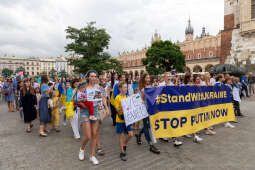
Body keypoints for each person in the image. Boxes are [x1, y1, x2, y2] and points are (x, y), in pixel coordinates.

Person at [78, 70, 101, 165]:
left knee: (95, 134)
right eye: (91, 76)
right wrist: (82, 104)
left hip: (95, 110)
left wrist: (103, 107)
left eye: (95, 76)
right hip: (85, 111)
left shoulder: (98, 87)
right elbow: (77, 100)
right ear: (88, 77)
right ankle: (81, 149)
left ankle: (92, 155)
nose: (93, 78)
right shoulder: (84, 87)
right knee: (88, 135)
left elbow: (100, 98)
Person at [136, 73, 160, 153]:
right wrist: (143, 93)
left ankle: (139, 135)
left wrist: (156, 90)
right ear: (143, 79)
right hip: (144, 109)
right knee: (146, 126)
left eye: (149, 78)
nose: (148, 79)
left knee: (148, 125)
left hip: (150, 109)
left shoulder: (150, 87)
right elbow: (140, 100)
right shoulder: (140, 88)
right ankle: (151, 145)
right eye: (147, 78)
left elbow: (153, 97)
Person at [114, 82, 133, 161]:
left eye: (126, 87)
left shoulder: (128, 96)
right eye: (124, 87)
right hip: (120, 119)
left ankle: (125, 143)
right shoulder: (117, 98)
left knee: (131, 134)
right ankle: (122, 152)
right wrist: (121, 107)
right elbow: (117, 110)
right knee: (121, 136)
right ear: (120, 89)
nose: (126, 89)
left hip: (128, 118)